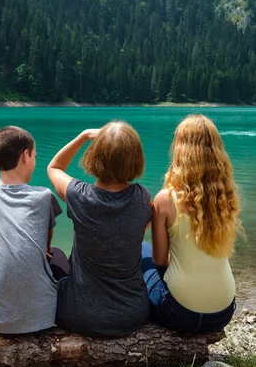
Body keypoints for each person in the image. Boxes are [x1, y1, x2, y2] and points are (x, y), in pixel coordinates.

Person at [47, 121, 152, 337]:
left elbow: (54, 167)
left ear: (95, 157)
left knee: (54, 255)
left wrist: (83, 136)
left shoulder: (79, 196)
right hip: (132, 314)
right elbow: (145, 224)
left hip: (79, 316)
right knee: (144, 248)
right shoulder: (142, 197)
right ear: (136, 160)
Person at [142, 114, 240, 333]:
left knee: (143, 252)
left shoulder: (165, 199)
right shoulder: (226, 197)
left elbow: (160, 261)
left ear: (179, 150)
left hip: (180, 314)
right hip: (223, 312)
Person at [0, 125, 63, 334]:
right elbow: (45, 246)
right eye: (35, 156)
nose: (35, 162)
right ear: (25, 156)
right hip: (43, 319)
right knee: (57, 256)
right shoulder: (44, 197)